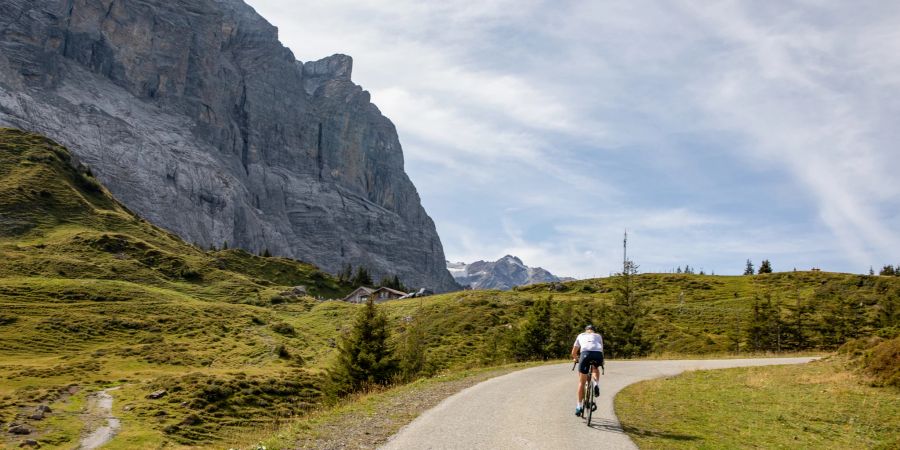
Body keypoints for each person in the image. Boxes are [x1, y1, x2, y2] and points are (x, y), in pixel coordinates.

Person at [571, 324, 603, 416]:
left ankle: (579, 406)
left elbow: (573, 353)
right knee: (595, 368)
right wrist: (602, 361)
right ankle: (596, 384)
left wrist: (575, 358)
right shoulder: (598, 336)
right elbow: (601, 349)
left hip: (585, 354)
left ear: (586, 330)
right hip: (597, 354)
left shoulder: (581, 335)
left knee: (581, 382)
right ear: (594, 331)